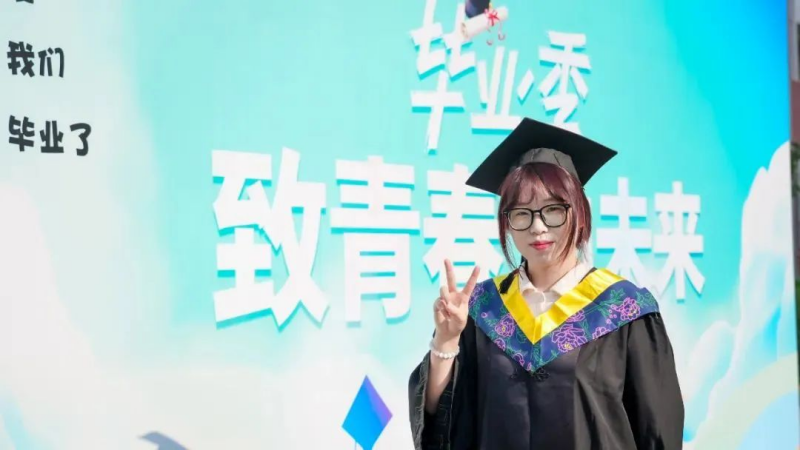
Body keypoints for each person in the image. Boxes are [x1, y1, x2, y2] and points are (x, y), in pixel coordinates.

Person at [407, 118, 684, 450]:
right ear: (507, 223)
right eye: (521, 213)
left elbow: (657, 432)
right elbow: (441, 420)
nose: (537, 227)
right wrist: (446, 340)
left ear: (579, 213)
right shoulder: (482, 309)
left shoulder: (624, 309)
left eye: (553, 210)